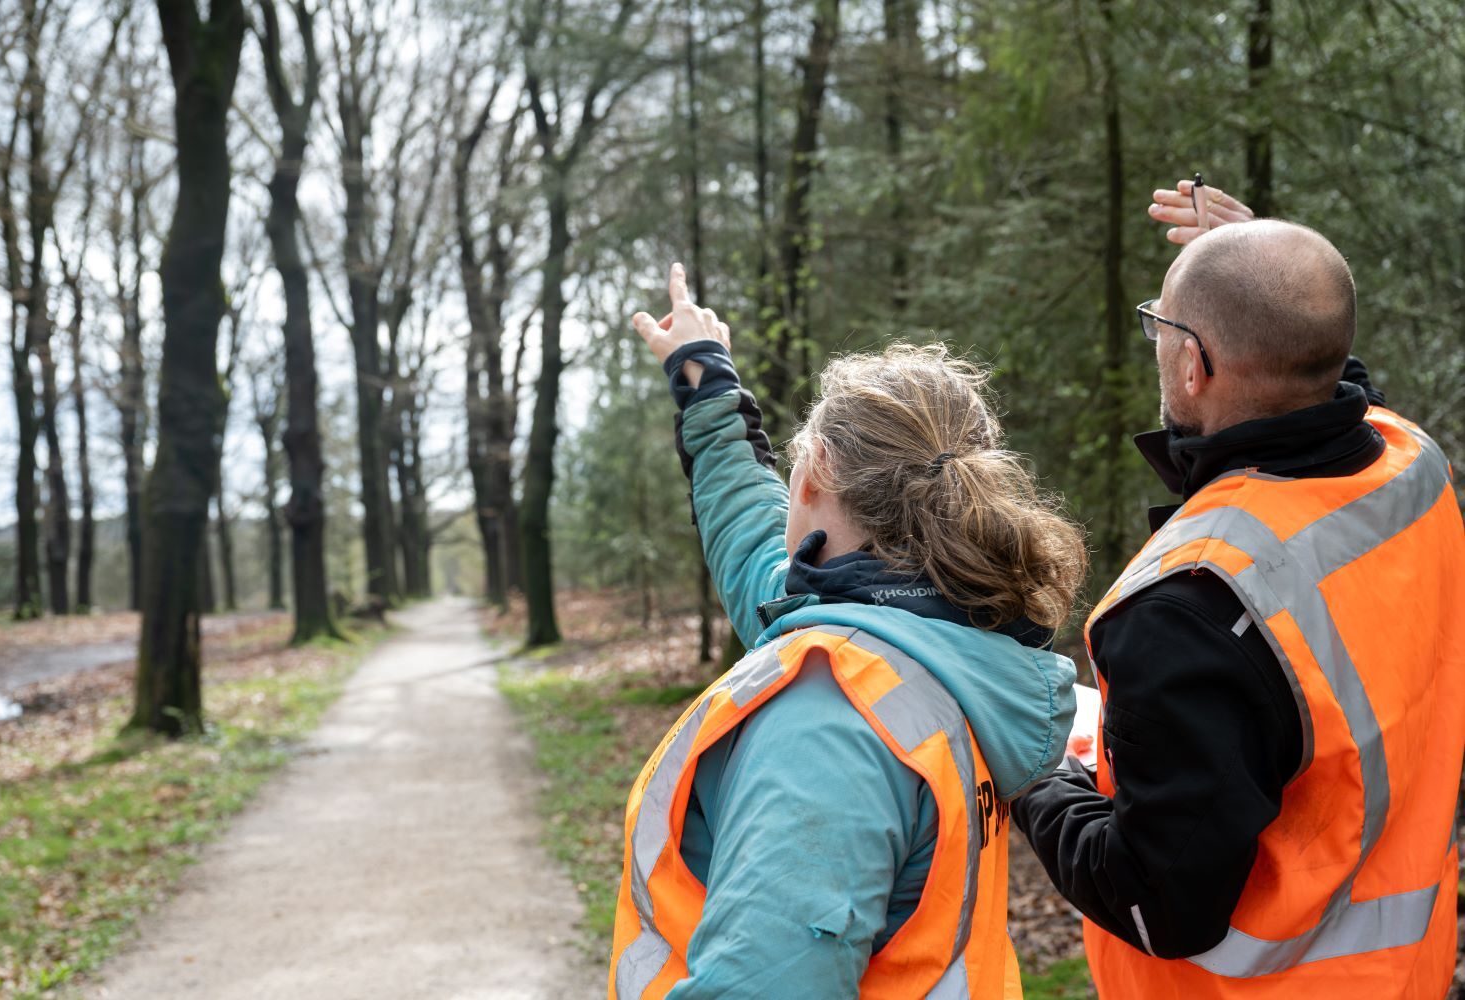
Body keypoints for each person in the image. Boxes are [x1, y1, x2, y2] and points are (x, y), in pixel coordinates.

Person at [1014, 181, 1465, 997]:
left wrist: (1039, 776)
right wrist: (1275, 272)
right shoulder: (1412, 467)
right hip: (1411, 973)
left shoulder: (1184, 602)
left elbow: (1159, 906)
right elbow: (1332, 383)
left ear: (1193, 363)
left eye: (1160, 324)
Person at [608, 263, 1088, 998]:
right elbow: (760, 558)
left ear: (815, 475)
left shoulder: (830, 719)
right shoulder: (947, 641)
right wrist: (705, 383)